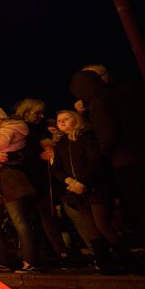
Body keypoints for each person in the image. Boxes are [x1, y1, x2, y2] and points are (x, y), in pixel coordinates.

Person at [69, 68, 145, 266]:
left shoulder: (100, 100)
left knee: (142, 209)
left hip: (124, 160)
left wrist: (104, 153)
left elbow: (107, 134)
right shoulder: (125, 94)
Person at [50, 109, 138, 274]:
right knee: (91, 227)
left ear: (76, 120)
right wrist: (70, 181)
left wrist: (83, 182)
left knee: (102, 224)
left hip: (95, 188)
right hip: (75, 190)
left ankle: (129, 261)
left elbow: (95, 161)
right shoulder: (61, 144)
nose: (61, 122)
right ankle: (105, 264)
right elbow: (57, 168)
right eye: (59, 120)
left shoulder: (87, 138)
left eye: (66, 118)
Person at [13, 97, 79, 266]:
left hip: (43, 176)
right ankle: (46, 252)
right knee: (36, 216)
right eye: (37, 113)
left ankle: (60, 251)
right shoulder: (19, 129)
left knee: (47, 215)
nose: (41, 116)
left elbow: (47, 144)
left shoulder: (41, 127)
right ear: (27, 113)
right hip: (27, 177)